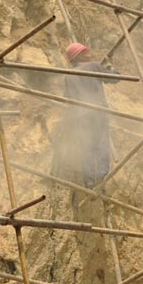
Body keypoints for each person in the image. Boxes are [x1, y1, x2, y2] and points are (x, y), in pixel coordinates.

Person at [57, 42, 120, 189]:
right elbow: (113, 78)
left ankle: (89, 181)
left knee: (87, 148)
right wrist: (111, 68)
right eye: (85, 52)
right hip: (97, 111)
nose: (89, 54)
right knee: (101, 144)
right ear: (78, 55)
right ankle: (101, 176)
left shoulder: (69, 76)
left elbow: (68, 98)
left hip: (80, 116)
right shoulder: (92, 66)